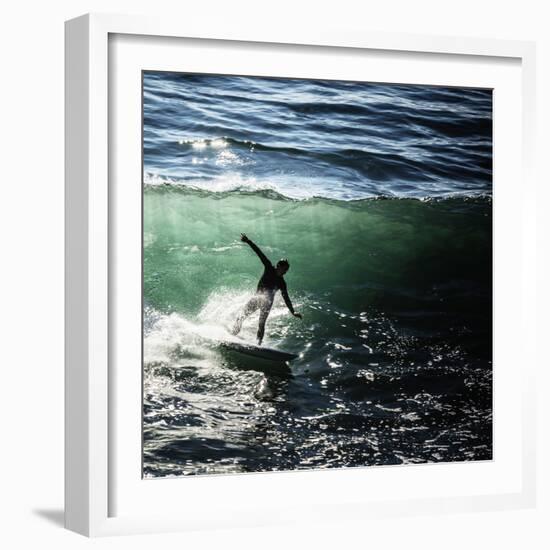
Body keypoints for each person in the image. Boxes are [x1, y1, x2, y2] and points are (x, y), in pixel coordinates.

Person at [231, 233, 302, 345]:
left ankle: (258, 345)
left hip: (267, 302)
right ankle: (232, 335)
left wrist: (293, 312)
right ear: (278, 266)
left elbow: (286, 298)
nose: (285, 272)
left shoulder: (282, 283)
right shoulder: (269, 267)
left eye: (286, 270)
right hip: (257, 298)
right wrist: (248, 241)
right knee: (241, 316)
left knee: (261, 324)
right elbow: (259, 253)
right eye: (284, 269)